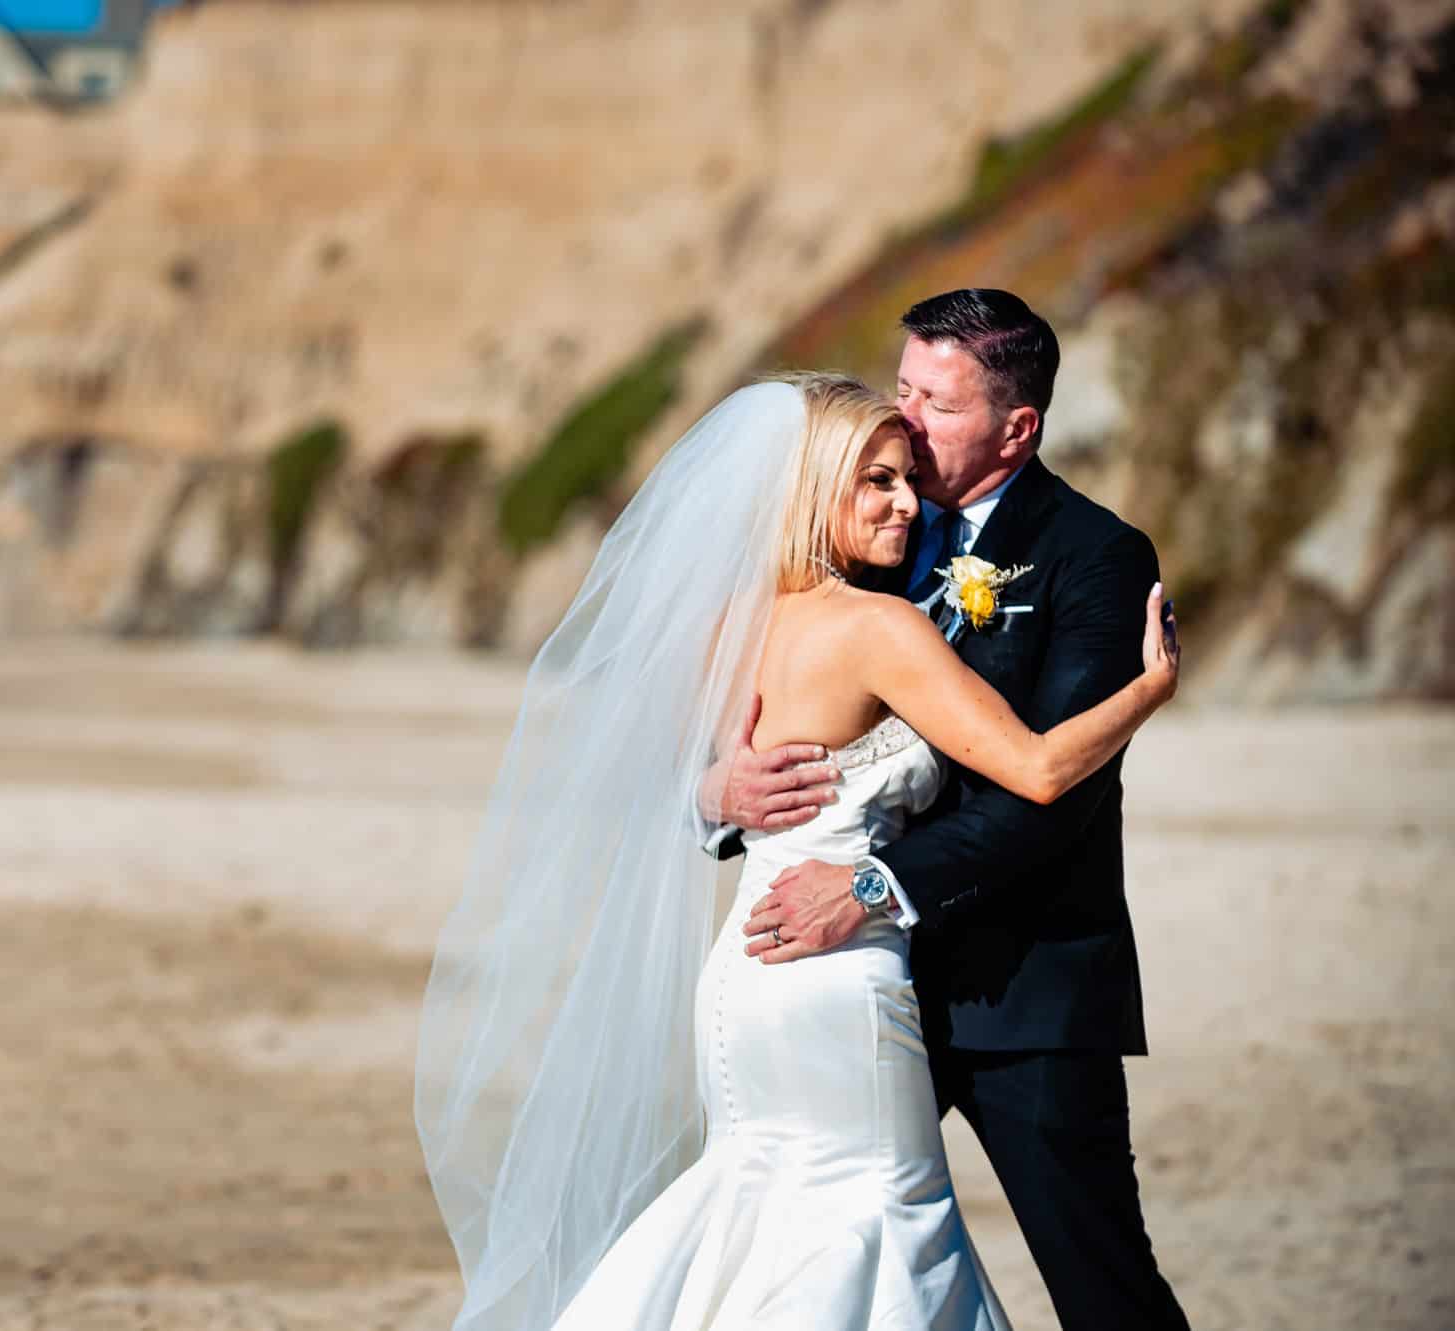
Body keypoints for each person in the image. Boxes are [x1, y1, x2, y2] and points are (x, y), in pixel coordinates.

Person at [416, 357, 1179, 1331]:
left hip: (745, 975)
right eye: (877, 480)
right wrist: (1145, 692)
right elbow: (1032, 771)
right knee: (878, 1229)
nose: (906, 503)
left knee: (752, 1219)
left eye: (906, 472)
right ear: (812, 490)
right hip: (836, 977)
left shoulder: (726, 625)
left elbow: (654, 766)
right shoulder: (877, 624)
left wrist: (705, 786)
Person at [711, 290, 1193, 1331]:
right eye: (902, 389)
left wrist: (876, 887)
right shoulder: (859, 529)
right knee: (802, 1244)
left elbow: (1054, 794)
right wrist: (720, 795)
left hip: (1018, 990)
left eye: (936, 401)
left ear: (1015, 427)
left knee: (1099, 1280)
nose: (907, 421)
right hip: (838, 980)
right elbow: (768, 712)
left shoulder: (1094, 555)